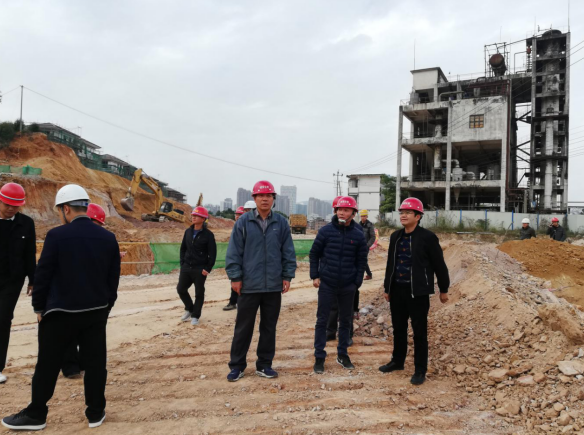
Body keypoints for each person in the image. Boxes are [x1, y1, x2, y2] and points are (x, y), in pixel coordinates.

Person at [2, 184, 121, 430]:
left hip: (60, 313)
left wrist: (39, 309)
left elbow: (43, 275)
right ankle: (95, 413)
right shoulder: (108, 238)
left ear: (66, 209)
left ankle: (36, 414)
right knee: (96, 363)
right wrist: (105, 309)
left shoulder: (57, 236)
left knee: (47, 364)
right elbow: (113, 280)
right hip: (95, 312)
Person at [225, 180, 296, 382]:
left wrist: (287, 276)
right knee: (243, 328)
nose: (265, 199)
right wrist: (235, 277)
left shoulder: (281, 223)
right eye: (261, 196)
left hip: (273, 285)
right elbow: (234, 252)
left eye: (268, 196)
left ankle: (264, 365)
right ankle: (237, 366)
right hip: (249, 285)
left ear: (273, 199)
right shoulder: (243, 222)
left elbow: (288, 252)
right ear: (254, 198)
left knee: (268, 327)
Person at [380, 198, 450, 386]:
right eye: (401, 212)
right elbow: (390, 264)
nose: (403, 215)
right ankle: (397, 361)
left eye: (408, 213)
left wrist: (444, 289)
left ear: (418, 216)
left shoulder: (427, 237)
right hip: (397, 290)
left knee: (419, 332)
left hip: (417, 293)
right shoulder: (395, 237)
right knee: (399, 328)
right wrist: (387, 288)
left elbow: (439, 264)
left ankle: (420, 369)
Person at [310, 196, 367, 374]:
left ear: (353, 213)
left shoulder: (358, 235)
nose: (342, 212)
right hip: (327, 283)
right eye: (339, 209)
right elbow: (314, 254)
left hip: (348, 285)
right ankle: (319, 356)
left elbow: (361, 261)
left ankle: (343, 354)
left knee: (345, 321)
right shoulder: (325, 231)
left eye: (346, 210)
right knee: (322, 320)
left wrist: (356, 282)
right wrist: (315, 275)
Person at [61, 203, 111, 380]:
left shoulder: (102, 240)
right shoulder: (65, 237)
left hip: (92, 293)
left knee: (88, 332)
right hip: (70, 292)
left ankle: (83, 363)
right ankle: (70, 367)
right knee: (68, 330)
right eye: (96, 224)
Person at [0, 183, 36, 385]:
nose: (11, 208)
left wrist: (33, 279)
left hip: (12, 281)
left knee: (3, 319)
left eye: (15, 205)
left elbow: (29, 253)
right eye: (7, 204)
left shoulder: (26, 224)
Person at [178, 206, 217, 326]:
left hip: (200, 269)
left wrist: (207, 268)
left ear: (203, 219)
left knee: (199, 293)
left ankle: (195, 316)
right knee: (181, 289)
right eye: (193, 215)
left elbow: (212, 253)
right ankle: (190, 309)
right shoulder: (188, 232)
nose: (193, 217)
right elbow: (183, 249)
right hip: (186, 267)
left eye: (197, 215)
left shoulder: (208, 235)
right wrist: (182, 263)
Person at [223, 206, 245, 311]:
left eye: (240, 214)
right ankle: (233, 302)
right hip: (236, 260)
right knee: (235, 281)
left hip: (245, 261)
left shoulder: (246, 227)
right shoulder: (236, 227)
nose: (237, 216)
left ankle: (238, 303)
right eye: (237, 214)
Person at [358, 209, 375, 280]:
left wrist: (367, 245)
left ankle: (369, 274)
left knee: (363, 260)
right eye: (362, 216)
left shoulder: (369, 225)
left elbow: (373, 237)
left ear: (367, 216)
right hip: (359, 246)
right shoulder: (358, 225)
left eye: (364, 216)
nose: (363, 217)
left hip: (365, 246)